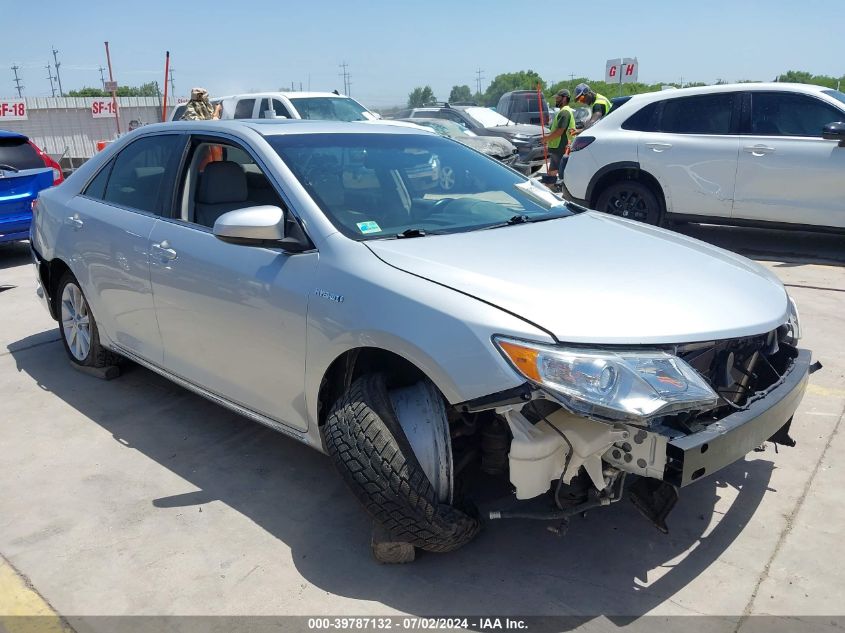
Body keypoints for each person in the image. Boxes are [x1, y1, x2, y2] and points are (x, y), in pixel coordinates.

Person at [544, 89, 577, 177]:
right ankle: (550, 186)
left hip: (561, 147)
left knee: (563, 174)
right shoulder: (563, 111)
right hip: (557, 148)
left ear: (564, 98)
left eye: (558, 98)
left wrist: (546, 139)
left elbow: (559, 131)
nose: (556, 100)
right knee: (552, 173)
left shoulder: (565, 112)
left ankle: (559, 187)